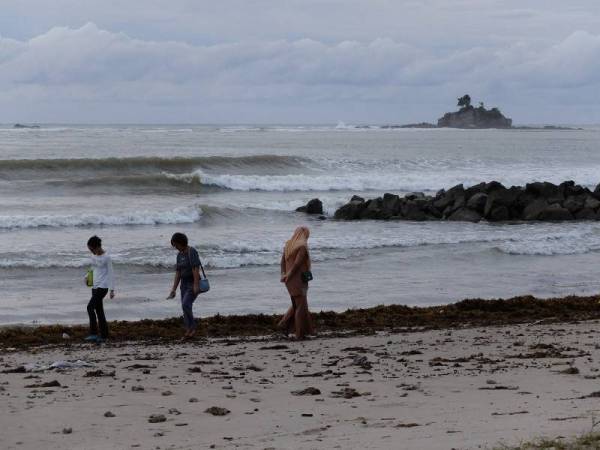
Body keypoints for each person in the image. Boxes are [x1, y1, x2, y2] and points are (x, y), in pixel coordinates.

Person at [278, 226, 314, 340]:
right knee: (300, 306)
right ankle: (298, 333)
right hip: (299, 279)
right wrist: (289, 274)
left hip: (289, 281)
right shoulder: (302, 246)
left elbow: (282, 262)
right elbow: (297, 264)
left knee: (297, 304)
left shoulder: (289, 244)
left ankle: (305, 330)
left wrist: (284, 274)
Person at [167, 232, 202, 340]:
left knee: (186, 304)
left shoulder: (192, 252)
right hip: (184, 284)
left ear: (181, 242)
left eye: (176, 245)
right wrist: (173, 289)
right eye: (174, 245)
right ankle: (189, 329)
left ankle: (193, 328)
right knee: (185, 306)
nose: (175, 247)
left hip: (193, 283)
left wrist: (196, 285)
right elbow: (178, 273)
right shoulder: (179, 255)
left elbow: (196, 269)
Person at [85, 235, 115, 343]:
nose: (91, 251)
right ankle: (104, 335)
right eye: (90, 250)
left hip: (103, 287)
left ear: (97, 247)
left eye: (92, 249)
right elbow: (92, 268)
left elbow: (111, 273)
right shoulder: (93, 256)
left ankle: (93, 333)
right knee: (99, 310)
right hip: (95, 285)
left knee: (89, 307)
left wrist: (112, 290)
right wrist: (87, 277)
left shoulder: (107, 257)